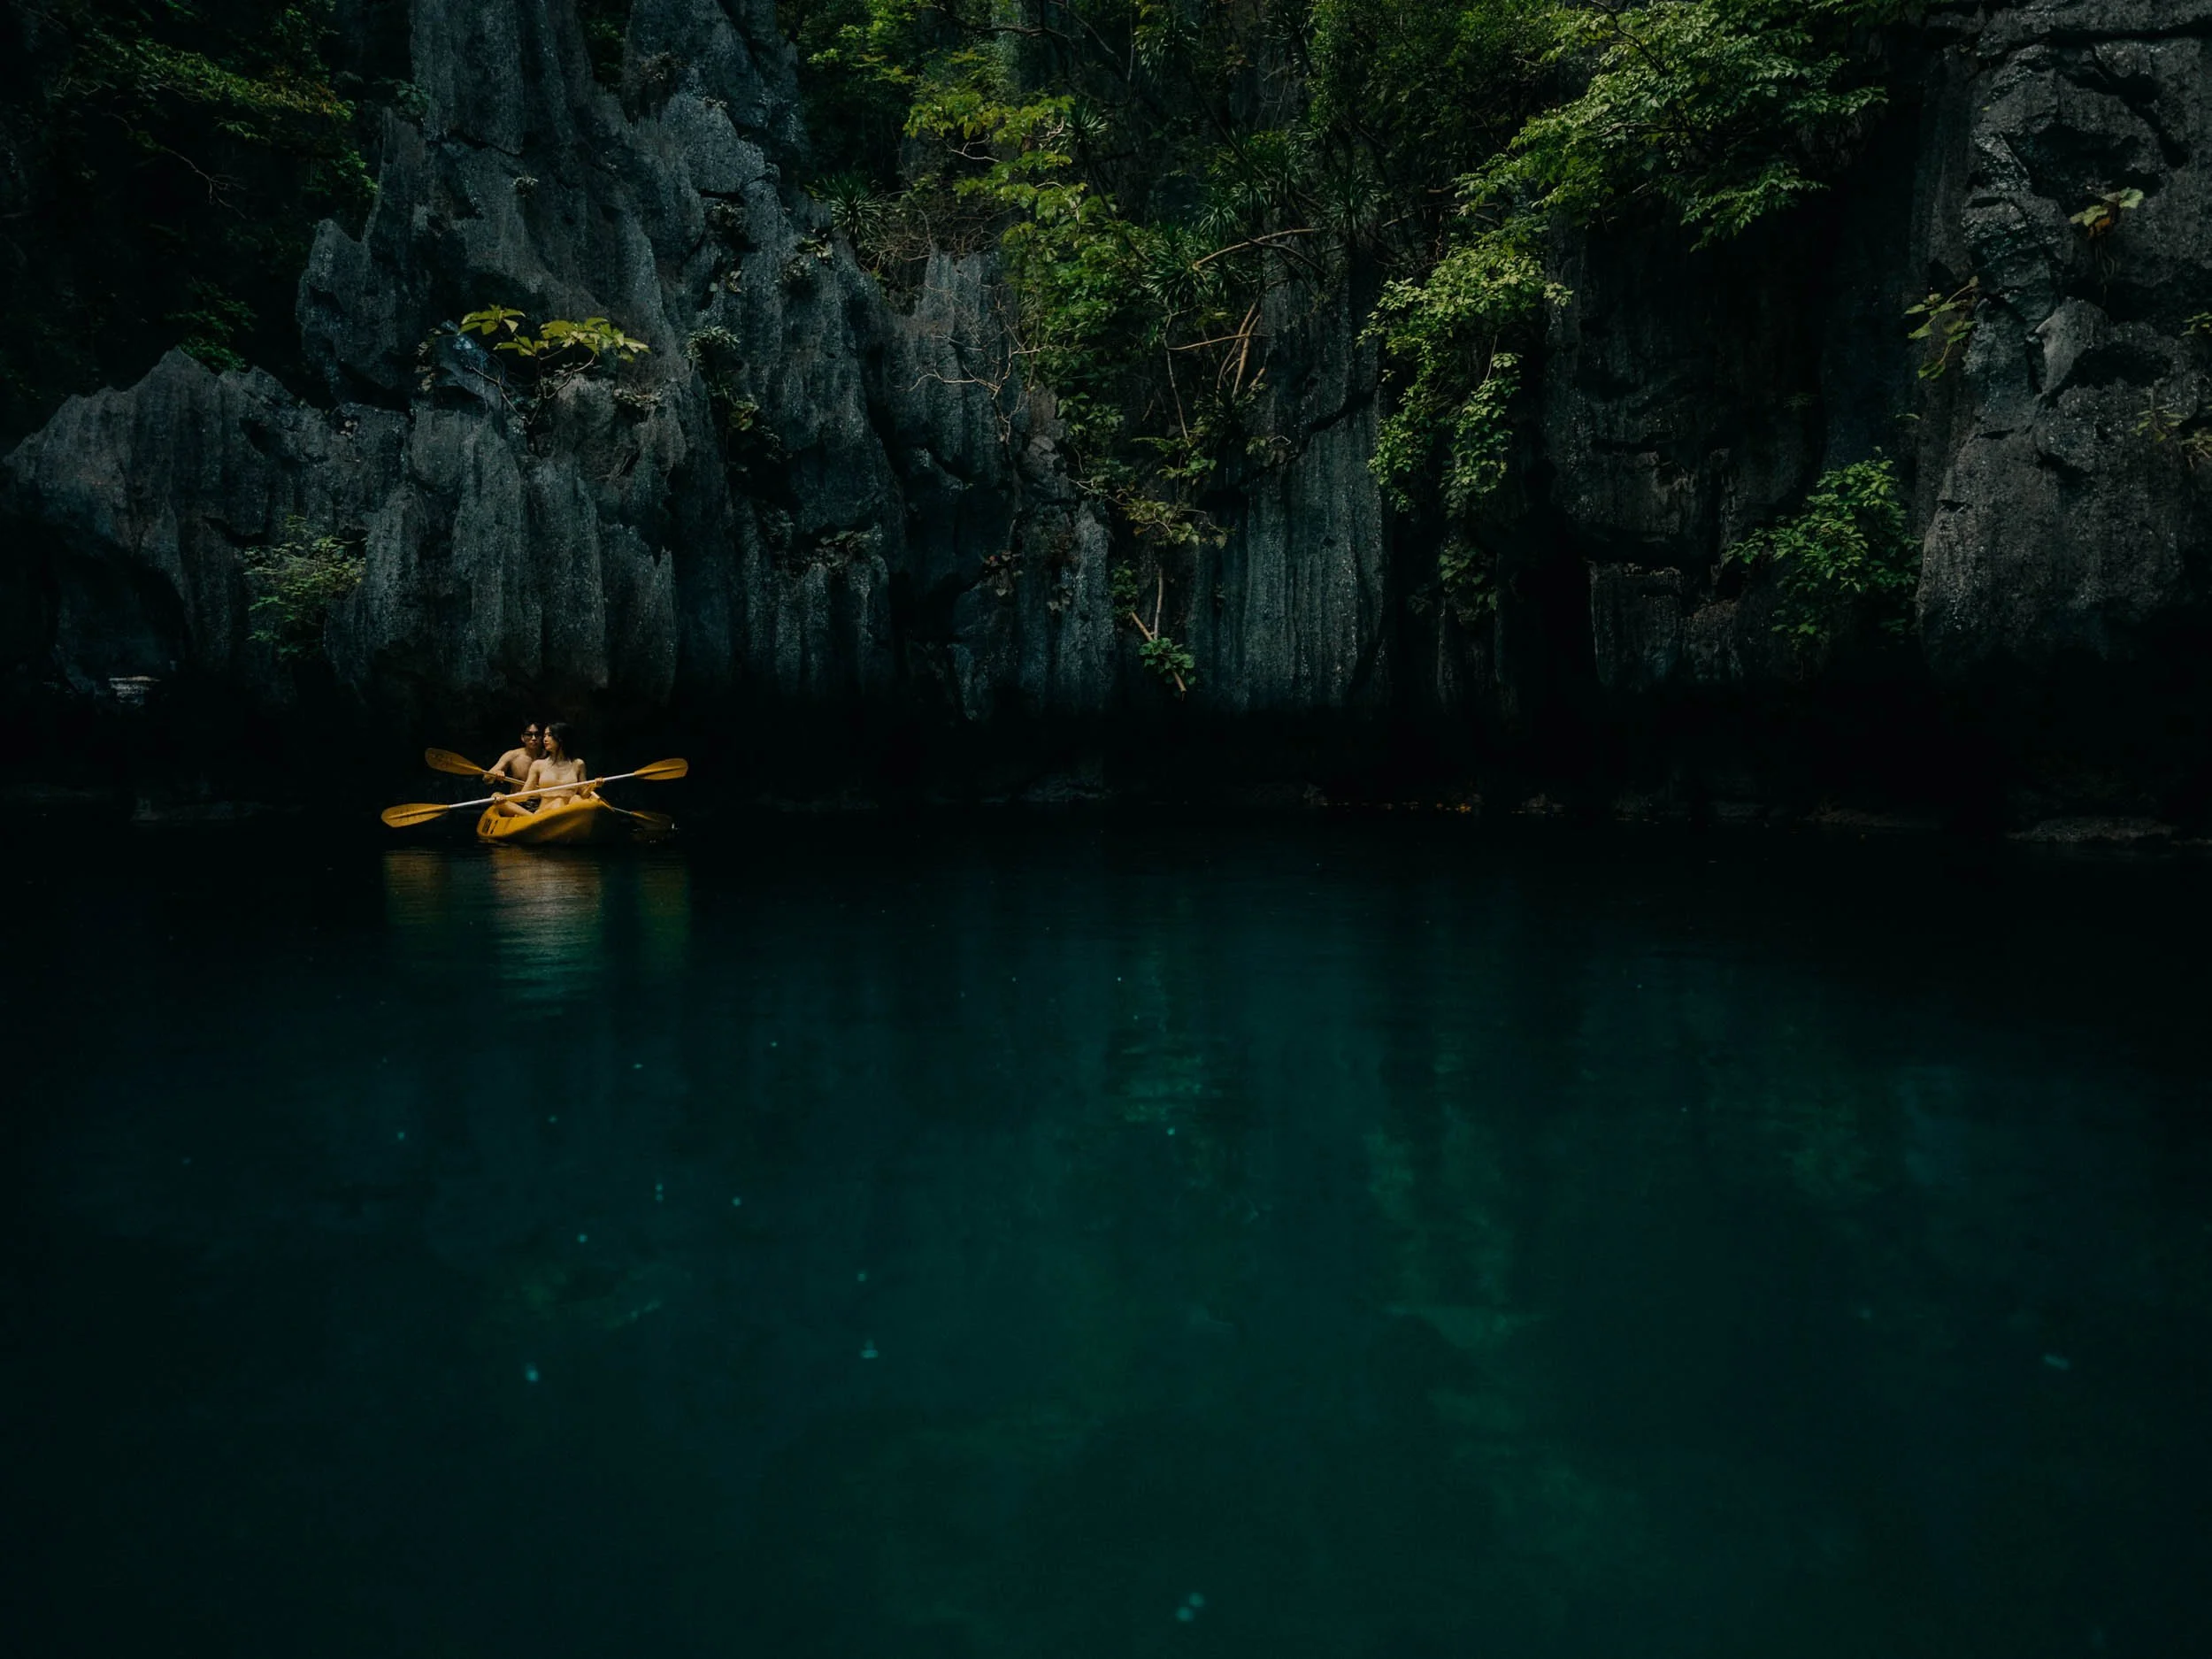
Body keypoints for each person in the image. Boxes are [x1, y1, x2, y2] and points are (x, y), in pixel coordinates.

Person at [495, 721, 594, 816]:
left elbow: (584, 794)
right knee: (558, 803)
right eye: (545, 735)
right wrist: (504, 798)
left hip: (569, 813)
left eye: (549, 735)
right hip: (545, 813)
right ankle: (532, 818)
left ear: (561, 738)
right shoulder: (538, 765)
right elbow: (524, 796)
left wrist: (594, 785)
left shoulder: (578, 764)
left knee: (577, 799)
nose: (545, 739)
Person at [483, 722, 545, 793]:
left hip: (544, 802)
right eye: (529, 734)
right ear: (522, 737)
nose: (534, 738)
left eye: (537, 734)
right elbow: (486, 779)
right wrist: (495, 774)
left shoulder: (551, 756)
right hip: (517, 801)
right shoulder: (512, 755)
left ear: (542, 737)